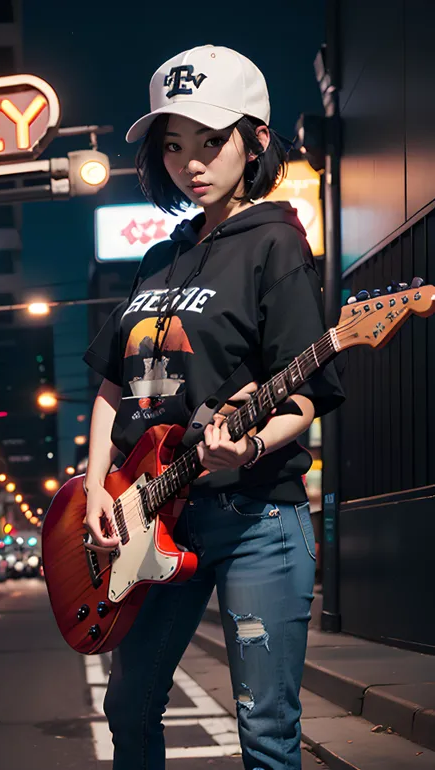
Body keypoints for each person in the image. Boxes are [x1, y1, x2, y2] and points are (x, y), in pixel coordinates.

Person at [82, 45, 345, 770]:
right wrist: (95, 486)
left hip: (256, 517)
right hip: (154, 514)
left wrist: (253, 445)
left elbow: (305, 393)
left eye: (210, 141)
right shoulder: (159, 258)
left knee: (264, 727)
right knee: (128, 706)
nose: (190, 163)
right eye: (173, 145)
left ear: (256, 140)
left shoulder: (275, 243)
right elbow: (111, 382)